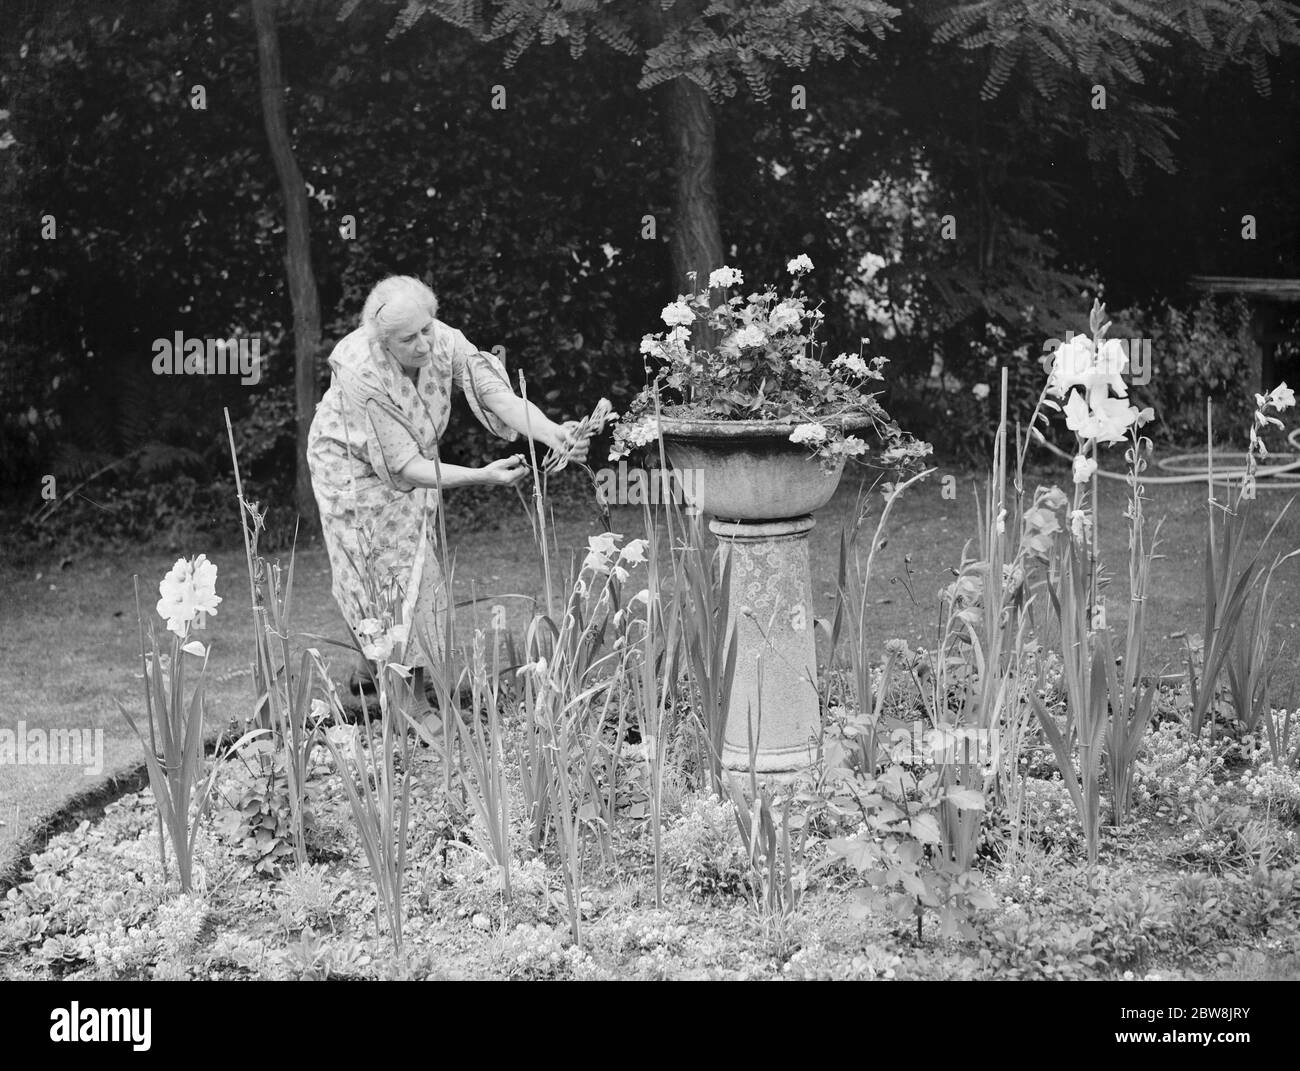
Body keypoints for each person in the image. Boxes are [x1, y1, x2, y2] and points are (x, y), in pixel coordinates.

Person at [307, 274, 586, 699]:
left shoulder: (442, 340)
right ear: (382, 343)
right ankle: (410, 705)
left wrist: (550, 432)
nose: (423, 344)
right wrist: (481, 476)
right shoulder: (360, 371)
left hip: (411, 460)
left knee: (414, 559)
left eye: (426, 329)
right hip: (348, 468)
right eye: (408, 339)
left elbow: (499, 397)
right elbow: (405, 466)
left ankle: (374, 664)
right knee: (379, 570)